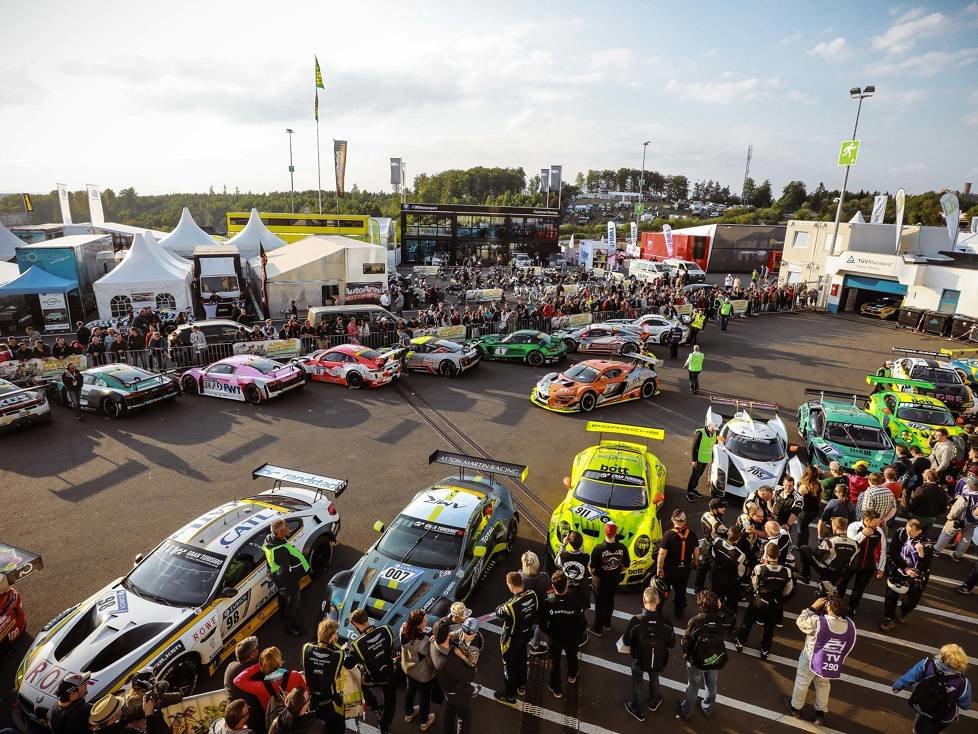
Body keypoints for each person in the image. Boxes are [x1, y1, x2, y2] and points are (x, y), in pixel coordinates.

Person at [785, 594, 857, 726]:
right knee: (823, 685)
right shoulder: (850, 626)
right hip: (830, 662)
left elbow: (800, 622)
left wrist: (812, 608)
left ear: (828, 607)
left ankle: (795, 707)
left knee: (802, 683)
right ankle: (820, 712)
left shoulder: (817, 621)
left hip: (810, 659)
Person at [893, 644, 972, 734]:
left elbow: (910, 676)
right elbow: (965, 705)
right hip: (943, 716)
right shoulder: (963, 682)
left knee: (919, 725)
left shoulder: (926, 664)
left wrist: (898, 685)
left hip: (922, 706)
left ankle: (916, 731)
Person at [675, 590, 730, 720]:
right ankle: (707, 709)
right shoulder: (722, 620)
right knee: (711, 685)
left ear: (701, 606)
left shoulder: (696, 622)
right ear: (717, 604)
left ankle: (686, 711)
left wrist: (687, 654)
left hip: (698, 661)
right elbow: (729, 618)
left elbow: (686, 642)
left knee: (693, 687)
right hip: (715, 659)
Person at [623, 584, 675, 721]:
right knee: (654, 676)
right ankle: (654, 700)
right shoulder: (667, 622)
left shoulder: (635, 621)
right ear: (658, 601)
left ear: (643, 600)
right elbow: (672, 643)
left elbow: (626, 641)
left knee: (637, 683)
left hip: (638, 659)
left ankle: (638, 709)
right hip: (658, 659)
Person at [735, 542, 793, 659]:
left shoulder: (759, 568)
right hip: (775, 603)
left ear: (766, 555)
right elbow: (788, 590)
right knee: (769, 628)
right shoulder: (787, 571)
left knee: (748, 622)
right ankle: (765, 650)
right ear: (779, 554)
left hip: (759, 600)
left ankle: (740, 642)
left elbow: (754, 584)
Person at [344, 608, 396, 734]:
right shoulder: (386, 630)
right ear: (367, 618)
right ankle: (384, 727)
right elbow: (391, 649)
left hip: (373, 678)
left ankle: (372, 704)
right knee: (390, 702)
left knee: (359, 681)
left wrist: (346, 650)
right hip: (390, 673)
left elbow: (348, 664)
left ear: (356, 624)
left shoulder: (357, 644)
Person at [492, 571, 538, 704]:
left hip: (511, 640)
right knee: (522, 659)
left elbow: (498, 612)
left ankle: (510, 696)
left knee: (509, 667)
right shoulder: (532, 595)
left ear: (511, 585)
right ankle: (522, 686)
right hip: (527, 634)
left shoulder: (510, 606)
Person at [881, 518, 933, 631]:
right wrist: (905, 567)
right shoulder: (901, 532)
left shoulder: (927, 544)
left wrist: (921, 554)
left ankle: (904, 611)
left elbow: (925, 566)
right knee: (890, 597)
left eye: (911, 532)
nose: (907, 533)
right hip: (899, 571)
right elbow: (893, 552)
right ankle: (889, 618)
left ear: (919, 531)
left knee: (910, 602)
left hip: (917, 577)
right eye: (907, 529)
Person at [540, 570, 586, 699]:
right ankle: (572, 676)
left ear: (553, 587)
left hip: (555, 639)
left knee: (555, 664)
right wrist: (576, 633)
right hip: (572, 638)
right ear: (566, 585)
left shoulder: (547, 604)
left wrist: (550, 633)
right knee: (572, 658)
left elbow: (542, 625)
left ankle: (556, 688)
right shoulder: (575, 602)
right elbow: (583, 624)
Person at [262, 519, 310, 636]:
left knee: (283, 598)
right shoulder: (281, 550)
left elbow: (268, 557)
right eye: (285, 530)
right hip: (288, 582)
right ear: (278, 533)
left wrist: (271, 572)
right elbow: (285, 570)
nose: (288, 531)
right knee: (293, 603)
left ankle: (283, 616)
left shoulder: (269, 540)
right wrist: (291, 577)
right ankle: (290, 627)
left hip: (280, 580)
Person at [430, 618, 475, 734]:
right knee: (464, 717)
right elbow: (470, 675)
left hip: (446, 689)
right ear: (447, 635)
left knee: (449, 711)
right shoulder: (448, 661)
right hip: (458, 693)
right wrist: (465, 654)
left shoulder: (433, 644)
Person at [302, 620, 347, 734]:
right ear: (332, 637)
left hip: (311, 702)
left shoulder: (306, 648)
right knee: (338, 728)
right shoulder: (338, 655)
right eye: (336, 633)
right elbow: (338, 654)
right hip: (329, 703)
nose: (337, 635)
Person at [233, 647, 308, 715]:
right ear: (279, 660)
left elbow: (238, 680)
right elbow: (307, 693)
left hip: (276, 722)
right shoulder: (294, 675)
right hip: (299, 716)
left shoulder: (261, 687)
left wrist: (260, 665)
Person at [840, 510, 887, 614]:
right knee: (842, 583)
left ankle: (852, 607)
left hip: (868, 566)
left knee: (859, 588)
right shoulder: (854, 527)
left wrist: (881, 568)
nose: (877, 525)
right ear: (867, 520)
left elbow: (883, 549)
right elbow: (850, 544)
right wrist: (863, 534)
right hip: (851, 564)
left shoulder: (879, 531)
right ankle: (836, 603)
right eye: (875, 523)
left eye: (878, 523)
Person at [588, 522, 630, 635]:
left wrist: (590, 569)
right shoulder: (622, 547)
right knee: (610, 600)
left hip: (600, 582)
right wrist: (616, 570)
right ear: (615, 533)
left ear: (604, 532)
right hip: (614, 580)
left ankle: (597, 629)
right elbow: (626, 566)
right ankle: (607, 624)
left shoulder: (598, 548)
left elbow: (592, 569)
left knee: (600, 604)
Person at [399, 611, 437, 732]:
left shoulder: (403, 629)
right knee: (424, 697)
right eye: (424, 621)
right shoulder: (424, 641)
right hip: (423, 674)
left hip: (408, 668)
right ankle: (424, 722)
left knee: (410, 690)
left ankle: (409, 713)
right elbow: (431, 658)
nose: (427, 622)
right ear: (417, 624)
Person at [657, 509, 699, 617]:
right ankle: (679, 611)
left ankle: (658, 609)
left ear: (672, 519)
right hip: (684, 570)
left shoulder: (668, 535)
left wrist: (659, 568)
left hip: (669, 570)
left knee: (663, 590)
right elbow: (696, 552)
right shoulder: (692, 535)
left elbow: (661, 555)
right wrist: (695, 563)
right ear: (685, 521)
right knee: (681, 591)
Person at [798, 516, 858, 590]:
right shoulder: (855, 544)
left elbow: (819, 556)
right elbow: (853, 563)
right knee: (827, 592)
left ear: (835, 527)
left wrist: (817, 548)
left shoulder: (830, 541)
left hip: (826, 570)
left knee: (804, 548)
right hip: (839, 573)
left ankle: (806, 576)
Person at [554, 530, 591, 644]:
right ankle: (578, 635)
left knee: (566, 612)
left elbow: (556, 562)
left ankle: (565, 632)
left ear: (569, 542)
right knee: (579, 613)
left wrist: (563, 544)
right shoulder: (586, 556)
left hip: (568, 590)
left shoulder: (563, 555)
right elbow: (589, 568)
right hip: (582, 590)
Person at [225, 637, 264, 734]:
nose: (258, 650)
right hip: (254, 718)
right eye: (257, 648)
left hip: (234, 718)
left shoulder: (230, 666)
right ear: (252, 654)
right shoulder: (255, 671)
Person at [934, 476, 978, 561]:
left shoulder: (966, 497)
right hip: (973, 522)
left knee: (947, 534)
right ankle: (957, 555)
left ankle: (936, 550)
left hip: (959, 520)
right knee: (966, 539)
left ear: (970, 486)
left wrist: (950, 518)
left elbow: (955, 511)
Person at [709, 523, 748, 614]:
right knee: (731, 602)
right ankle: (729, 620)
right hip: (729, 579)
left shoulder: (717, 541)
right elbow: (741, 573)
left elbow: (713, 554)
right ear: (738, 539)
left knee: (715, 595)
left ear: (728, 533)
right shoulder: (740, 555)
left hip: (715, 574)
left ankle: (713, 612)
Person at [520, 550, 551, 656]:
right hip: (540, 608)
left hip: (526, 608)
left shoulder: (520, 578)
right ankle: (535, 645)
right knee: (539, 626)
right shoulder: (544, 577)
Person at [694, 498, 728, 592]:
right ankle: (714, 591)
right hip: (714, 548)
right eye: (721, 507)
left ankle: (698, 587)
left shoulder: (705, 515)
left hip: (706, 543)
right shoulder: (717, 524)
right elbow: (729, 535)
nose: (724, 509)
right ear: (714, 510)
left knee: (703, 567)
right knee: (715, 571)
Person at [687, 420, 719, 502]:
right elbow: (694, 447)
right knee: (694, 475)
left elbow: (713, 445)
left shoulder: (714, 433)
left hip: (705, 459)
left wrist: (712, 458)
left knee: (699, 475)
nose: (714, 430)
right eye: (713, 428)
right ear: (709, 425)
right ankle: (689, 492)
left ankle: (693, 488)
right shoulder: (700, 433)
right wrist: (694, 460)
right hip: (698, 459)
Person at [909, 470, 948, 534]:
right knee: (923, 535)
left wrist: (910, 511)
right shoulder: (941, 491)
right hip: (932, 517)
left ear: (927, 477)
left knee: (912, 533)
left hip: (919, 516)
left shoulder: (921, 489)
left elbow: (913, 502)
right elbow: (943, 508)